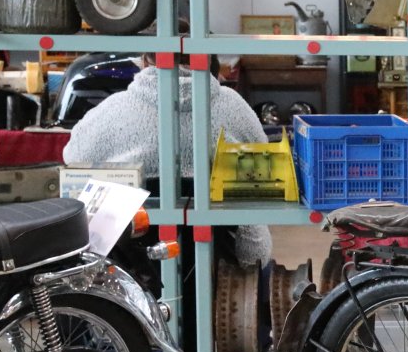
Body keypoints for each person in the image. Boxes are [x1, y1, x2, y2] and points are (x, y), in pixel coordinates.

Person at [64, 58, 272, 265]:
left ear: (145, 62)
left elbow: (73, 156)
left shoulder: (114, 108)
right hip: (223, 257)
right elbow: (264, 163)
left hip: (130, 260)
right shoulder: (234, 106)